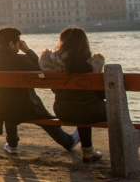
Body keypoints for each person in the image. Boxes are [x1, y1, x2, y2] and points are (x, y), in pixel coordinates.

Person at [0, 27, 79, 154]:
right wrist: (27, 50)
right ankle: (67, 142)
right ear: (11, 44)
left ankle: (12, 144)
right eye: (18, 44)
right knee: (37, 111)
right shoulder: (20, 60)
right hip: (23, 108)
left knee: (6, 102)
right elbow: (43, 70)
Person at [39, 27, 105, 163]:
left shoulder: (51, 64)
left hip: (63, 110)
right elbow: (101, 94)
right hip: (90, 111)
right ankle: (88, 151)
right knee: (87, 107)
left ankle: (88, 150)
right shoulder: (93, 64)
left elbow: (54, 89)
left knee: (79, 106)